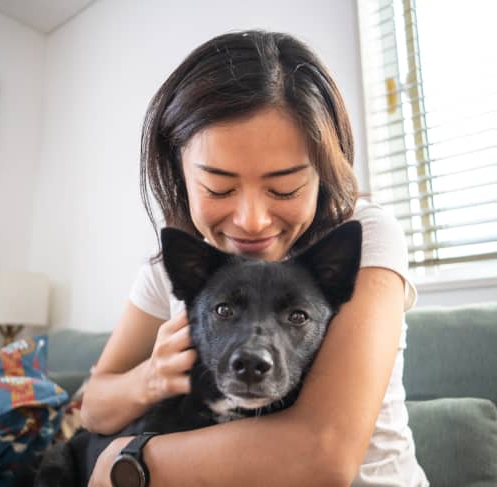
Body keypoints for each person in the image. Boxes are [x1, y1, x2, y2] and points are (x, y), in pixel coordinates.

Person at [80, 30, 429, 487]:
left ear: (322, 171)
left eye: (284, 188)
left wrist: (126, 464)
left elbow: (321, 457)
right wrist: (150, 377)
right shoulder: (170, 266)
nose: (251, 221)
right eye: (219, 188)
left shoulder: (364, 235)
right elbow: (93, 404)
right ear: (178, 170)